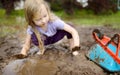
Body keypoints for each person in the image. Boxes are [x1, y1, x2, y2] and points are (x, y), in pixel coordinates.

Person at [15, 0, 80, 58]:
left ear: (47, 11)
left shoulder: (54, 22)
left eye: (45, 16)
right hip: (43, 40)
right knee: (33, 35)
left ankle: (72, 48)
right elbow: (27, 44)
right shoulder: (32, 27)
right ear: (31, 20)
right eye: (38, 19)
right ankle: (41, 49)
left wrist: (76, 46)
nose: (43, 21)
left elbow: (73, 31)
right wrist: (23, 53)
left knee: (70, 26)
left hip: (55, 36)